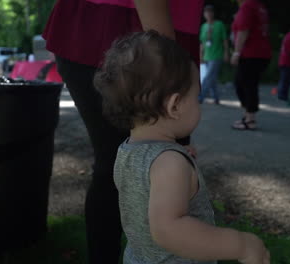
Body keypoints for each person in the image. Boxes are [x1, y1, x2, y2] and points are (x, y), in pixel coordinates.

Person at [42, 0, 204, 263]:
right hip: (126, 31)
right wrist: (171, 66)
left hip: (152, 34)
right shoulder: (161, 59)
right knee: (124, 165)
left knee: (163, 164)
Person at [95, 30, 270, 264]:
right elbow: (168, 230)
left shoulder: (126, 151)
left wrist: (176, 160)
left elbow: (146, 191)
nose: (199, 106)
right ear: (175, 106)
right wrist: (241, 245)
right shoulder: (169, 164)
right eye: (196, 98)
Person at [230, 0, 272, 130]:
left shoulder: (247, 6)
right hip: (261, 52)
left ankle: (250, 119)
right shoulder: (259, 6)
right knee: (245, 83)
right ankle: (249, 114)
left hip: (251, 53)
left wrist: (236, 52)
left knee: (246, 84)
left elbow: (243, 31)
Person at [199, 5, 229, 104]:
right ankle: (216, 97)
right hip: (207, 56)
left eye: (210, 12)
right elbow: (202, 43)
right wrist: (201, 55)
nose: (208, 14)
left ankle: (201, 96)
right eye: (206, 12)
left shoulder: (219, 24)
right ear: (204, 14)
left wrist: (226, 53)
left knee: (208, 76)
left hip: (217, 55)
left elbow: (224, 40)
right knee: (213, 78)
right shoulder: (203, 26)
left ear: (213, 13)